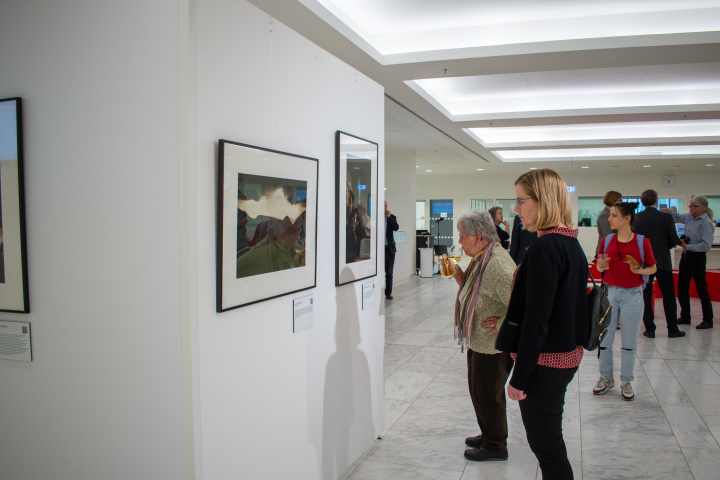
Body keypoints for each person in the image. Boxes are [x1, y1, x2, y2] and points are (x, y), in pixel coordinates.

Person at [499, 168, 588, 479]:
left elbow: (538, 321)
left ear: (543, 201)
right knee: (548, 444)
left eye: (521, 201)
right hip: (565, 356)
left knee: (547, 447)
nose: (516, 209)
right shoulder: (569, 242)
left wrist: (519, 378)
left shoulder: (546, 246)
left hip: (545, 363)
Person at [452, 211, 516, 462]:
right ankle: (489, 432)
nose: (460, 241)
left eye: (462, 236)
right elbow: (478, 291)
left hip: (493, 345)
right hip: (479, 340)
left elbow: (522, 304)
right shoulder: (483, 257)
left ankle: (495, 445)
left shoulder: (498, 265)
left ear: (478, 236)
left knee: (488, 395)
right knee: (481, 392)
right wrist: (460, 278)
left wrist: (501, 322)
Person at [594, 202, 657, 401]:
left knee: (629, 341)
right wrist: (601, 265)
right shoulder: (607, 240)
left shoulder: (641, 242)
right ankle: (606, 377)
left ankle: (626, 380)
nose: (609, 219)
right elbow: (600, 265)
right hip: (610, 294)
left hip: (633, 296)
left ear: (627, 218)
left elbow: (653, 267)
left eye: (613, 215)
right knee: (605, 338)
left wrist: (640, 270)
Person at [632, 189, 684, 338]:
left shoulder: (637, 218)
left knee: (646, 296)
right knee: (668, 296)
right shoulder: (666, 217)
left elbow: (634, 240)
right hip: (662, 261)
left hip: (645, 263)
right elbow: (674, 239)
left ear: (642, 202)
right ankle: (672, 329)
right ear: (656, 201)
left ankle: (650, 329)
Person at [663, 196, 715, 329]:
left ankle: (708, 320)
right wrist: (670, 211)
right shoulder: (690, 217)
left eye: (692, 205)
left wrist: (687, 246)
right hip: (686, 257)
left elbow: (706, 245)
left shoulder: (706, 223)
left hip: (697, 258)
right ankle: (685, 316)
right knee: (682, 288)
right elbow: (678, 217)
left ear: (701, 208)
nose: (689, 207)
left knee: (701, 289)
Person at [595, 190, 622, 255]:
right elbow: (608, 236)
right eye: (620, 200)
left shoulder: (610, 214)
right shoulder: (605, 215)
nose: (621, 202)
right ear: (613, 200)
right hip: (605, 251)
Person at [385, 201, 399, 300]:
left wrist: (389, 217)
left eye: (385, 205)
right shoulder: (375, 218)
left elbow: (396, 227)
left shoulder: (392, 217)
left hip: (389, 249)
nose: (384, 207)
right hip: (379, 250)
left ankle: (388, 292)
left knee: (389, 272)